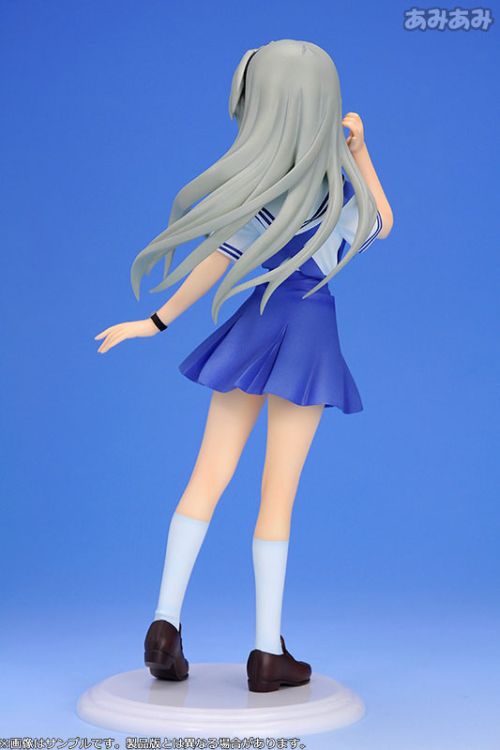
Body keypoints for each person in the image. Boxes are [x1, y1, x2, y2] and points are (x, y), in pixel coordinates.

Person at [95, 39, 393, 693]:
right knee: (276, 496)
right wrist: (361, 152)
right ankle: (265, 651)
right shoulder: (336, 198)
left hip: (253, 328)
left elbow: (216, 258)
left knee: (206, 477)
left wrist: (155, 321)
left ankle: (164, 623)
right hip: (309, 337)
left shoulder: (263, 198)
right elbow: (382, 223)